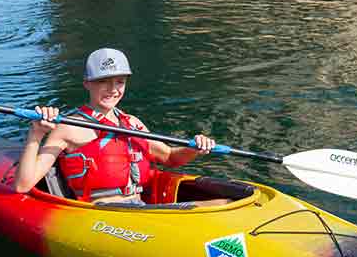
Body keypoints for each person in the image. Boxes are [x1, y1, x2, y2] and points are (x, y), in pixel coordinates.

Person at [13, 48, 219, 204]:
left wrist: (195, 148)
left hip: (140, 207)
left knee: (222, 203)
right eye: (104, 82)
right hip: (104, 216)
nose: (113, 90)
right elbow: (23, 184)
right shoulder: (68, 128)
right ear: (87, 83)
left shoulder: (132, 123)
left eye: (119, 82)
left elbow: (170, 157)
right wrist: (36, 134)